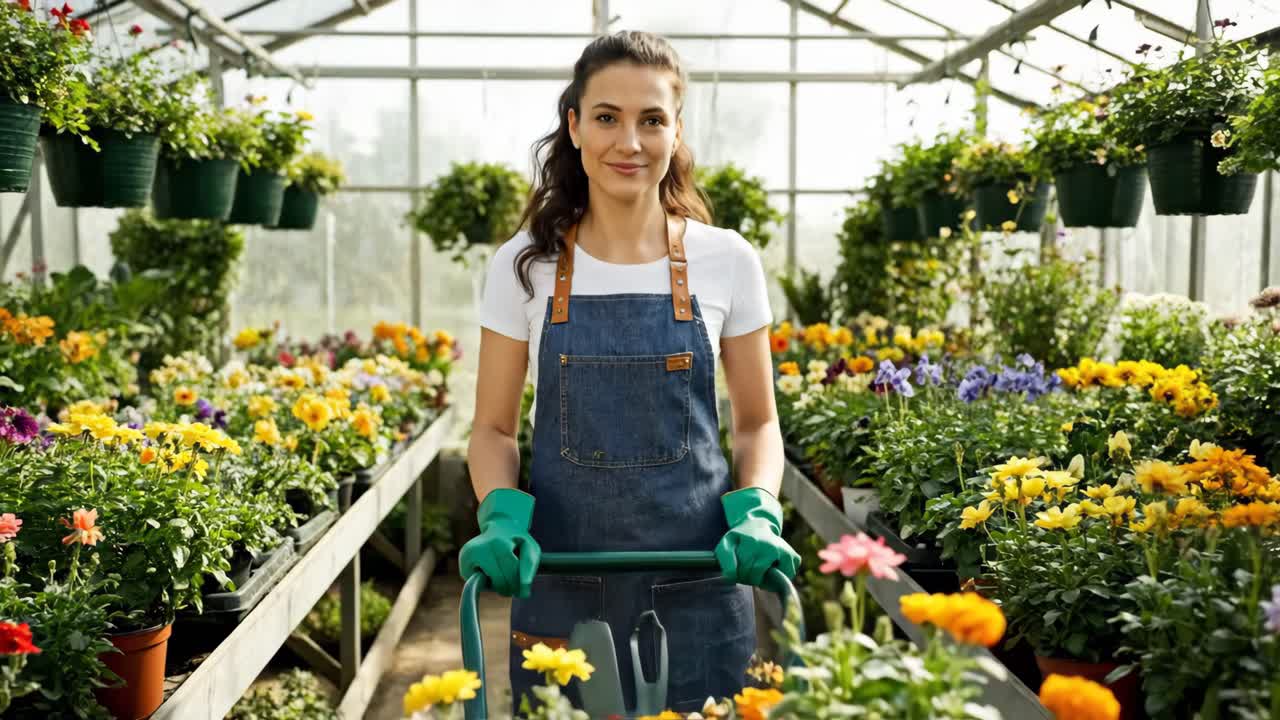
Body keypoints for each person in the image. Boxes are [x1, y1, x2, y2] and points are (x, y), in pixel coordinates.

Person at [460, 30, 800, 713]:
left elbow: (758, 421)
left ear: (676, 132)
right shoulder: (524, 265)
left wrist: (760, 510)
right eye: (608, 117)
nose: (630, 142)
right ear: (574, 125)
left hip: (702, 583)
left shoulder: (726, 259)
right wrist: (499, 515)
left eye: (652, 120)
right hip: (561, 587)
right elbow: (494, 428)